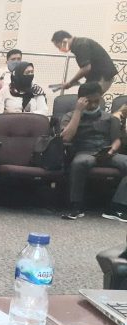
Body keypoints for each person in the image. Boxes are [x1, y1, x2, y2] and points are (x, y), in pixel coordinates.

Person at [60, 82, 127, 221]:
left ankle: (117, 207)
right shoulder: (70, 116)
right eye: (89, 102)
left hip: (108, 152)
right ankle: (76, 206)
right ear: (80, 100)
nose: (93, 105)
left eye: (96, 101)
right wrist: (78, 111)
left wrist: (112, 150)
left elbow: (117, 140)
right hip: (84, 152)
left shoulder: (109, 118)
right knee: (80, 162)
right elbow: (66, 137)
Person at [52, 30, 117, 94]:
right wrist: (73, 82)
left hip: (102, 77)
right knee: (86, 97)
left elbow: (86, 68)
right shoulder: (79, 43)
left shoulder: (81, 45)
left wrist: (70, 83)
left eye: (59, 46)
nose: (60, 49)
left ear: (64, 41)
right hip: (97, 76)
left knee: (87, 98)